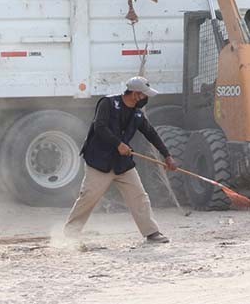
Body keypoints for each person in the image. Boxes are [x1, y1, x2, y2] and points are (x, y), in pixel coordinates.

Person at [64, 76, 177, 244]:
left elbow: (151, 133)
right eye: (144, 95)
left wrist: (167, 155)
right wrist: (118, 144)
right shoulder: (108, 104)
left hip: (123, 164)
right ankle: (70, 233)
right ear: (135, 94)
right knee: (89, 196)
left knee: (139, 196)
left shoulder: (137, 114)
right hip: (99, 161)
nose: (146, 99)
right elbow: (99, 126)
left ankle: (151, 232)